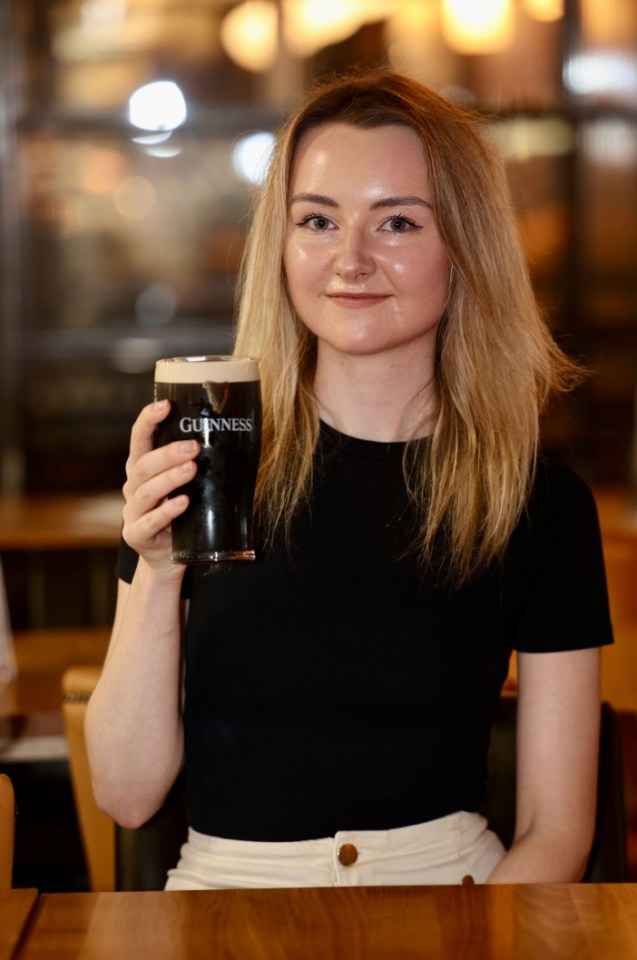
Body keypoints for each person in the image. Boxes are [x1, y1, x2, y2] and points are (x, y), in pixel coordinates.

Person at [85, 67, 613, 888]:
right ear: (282, 243)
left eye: (396, 222)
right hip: (223, 908)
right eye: (318, 221)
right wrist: (155, 571)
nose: (350, 259)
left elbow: (554, 833)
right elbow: (124, 794)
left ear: (464, 248)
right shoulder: (209, 463)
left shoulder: (538, 501)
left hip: (457, 907)